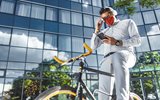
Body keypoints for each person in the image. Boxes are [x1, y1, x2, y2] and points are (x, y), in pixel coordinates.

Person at [90, 7, 141, 100]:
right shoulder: (104, 32)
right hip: (108, 58)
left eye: (108, 16)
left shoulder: (127, 22)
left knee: (117, 56)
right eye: (104, 19)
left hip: (125, 55)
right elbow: (93, 47)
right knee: (103, 86)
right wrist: (97, 30)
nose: (107, 20)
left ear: (114, 14)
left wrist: (118, 42)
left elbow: (137, 41)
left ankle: (123, 98)